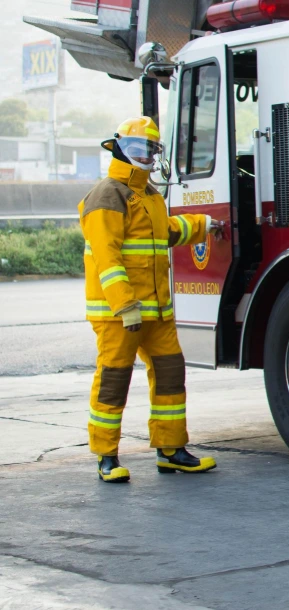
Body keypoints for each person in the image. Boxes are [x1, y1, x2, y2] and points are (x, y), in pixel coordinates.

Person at [80, 116, 224, 483]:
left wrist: (205, 225)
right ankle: (106, 456)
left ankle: (172, 450)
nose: (144, 156)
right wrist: (125, 305)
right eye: (137, 149)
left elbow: (167, 234)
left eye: (150, 150)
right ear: (118, 148)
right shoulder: (106, 195)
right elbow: (106, 258)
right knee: (114, 381)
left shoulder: (149, 196)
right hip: (121, 315)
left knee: (171, 377)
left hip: (157, 312)